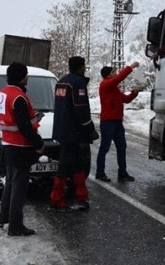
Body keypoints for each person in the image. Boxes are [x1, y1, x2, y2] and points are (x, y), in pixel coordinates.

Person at [0, 62, 45, 237]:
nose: (27, 77)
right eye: (26, 74)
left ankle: (4, 218)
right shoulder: (18, 97)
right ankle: (15, 226)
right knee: (19, 187)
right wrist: (38, 143)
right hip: (20, 146)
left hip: (8, 144)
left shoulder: (4, 92)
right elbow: (24, 127)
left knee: (10, 183)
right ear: (21, 77)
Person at [50, 56, 96, 212]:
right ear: (80, 67)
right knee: (65, 165)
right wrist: (90, 128)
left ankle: (82, 196)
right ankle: (56, 198)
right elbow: (80, 108)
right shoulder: (77, 83)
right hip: (73, 132)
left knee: (77, 164)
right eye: (84, 66)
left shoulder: (61, 81)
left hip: (62, 130)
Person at [95, 62, 140, 183]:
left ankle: (122, 172)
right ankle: (100, 172)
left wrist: (135, 92)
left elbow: (125, 99)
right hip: (108, 122)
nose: (115, 73)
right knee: (105, 147)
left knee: (122, 147)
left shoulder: (114, 88)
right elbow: (119, 78)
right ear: (108, 75)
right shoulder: (105, 84)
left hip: (117, 122)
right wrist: (131, 67)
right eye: (113, 72)